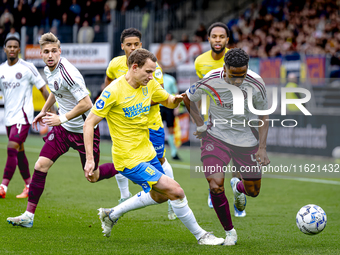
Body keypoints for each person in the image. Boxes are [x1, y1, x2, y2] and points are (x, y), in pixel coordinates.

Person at [83, 48, 224, 245]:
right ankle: (202, 236)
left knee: (160, 196)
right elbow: (89, 123)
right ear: (134, 67)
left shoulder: (149, 85)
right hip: (128, 159)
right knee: (176, 191)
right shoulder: (113, 91)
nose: (152, 76)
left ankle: (112, 214)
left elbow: (167, 100)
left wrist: (177, 99)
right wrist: (90, 159)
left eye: (154, 71)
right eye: (148, 71)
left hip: (147, 152)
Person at [7, 32, 118, 228]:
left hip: (84, 129)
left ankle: (123, 168)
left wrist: (61, 117)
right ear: (41, 54)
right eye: (46, 52)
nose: (50, 55)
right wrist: (43, 110)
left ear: (60, 52)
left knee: (92, 176)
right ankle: (28, 216)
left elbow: (86, 104)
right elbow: (55, 91)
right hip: (62, 130)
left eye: (53, 51)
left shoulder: (68, 72)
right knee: (40, 165)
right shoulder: (49, 69)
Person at [183, 48, 270, 245]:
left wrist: (262, 148)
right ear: (225, 68)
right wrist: (200, 124)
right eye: (233, 75)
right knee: (215, 185)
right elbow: (187, 98)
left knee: (253, 191)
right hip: (215, 137)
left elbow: (263, 115)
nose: (238, 80)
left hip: (246, 139)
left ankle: (238, 187)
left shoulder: (256, 82)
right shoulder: (210, 79)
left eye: (242, 75)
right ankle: (230, 232)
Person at [104, 28, 176, 220]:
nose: (132, 47)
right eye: (129, 44)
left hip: (150, 123)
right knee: (122, 159)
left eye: (136, 44)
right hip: (125, 123)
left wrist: (134, 102)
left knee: (159, 160)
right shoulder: (115, 64)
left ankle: (171, 199)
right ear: (122, 46)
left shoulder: (153, 68)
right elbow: (108, 83)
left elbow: (158, 96)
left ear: (141, 45)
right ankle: (124, 196)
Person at [195, 22, 247, 213]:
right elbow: (203, 90)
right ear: (208, 39)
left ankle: (237, 192)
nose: (218, 40)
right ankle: (215, 190)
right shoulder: (200, 62)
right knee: (214, 157)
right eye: (214, 36)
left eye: (221, 37)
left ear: (227, 39)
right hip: (212, 117)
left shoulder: (236, 58)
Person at [0, 36, 50, 199]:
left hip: (23, 118)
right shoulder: (1, 70)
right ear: (5, 49)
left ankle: (3, 187)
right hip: (8, 118)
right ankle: (29, 185)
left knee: (11, 147)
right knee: (19, 152)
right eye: (10, 47)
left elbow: (43, 89)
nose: (12, 49)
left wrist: (52, 111)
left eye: (15, 46)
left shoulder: (28, 68)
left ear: (19, 50)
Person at [160, 72, 180, 160]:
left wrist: (177, 108)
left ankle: (174, 153)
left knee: (171, 129)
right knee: (155, 129)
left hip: (169, 107)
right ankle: (156, 153)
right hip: (157, 107)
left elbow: (176, 93)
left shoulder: (170, 79)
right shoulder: (151, 78)